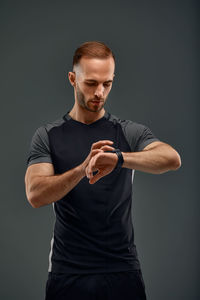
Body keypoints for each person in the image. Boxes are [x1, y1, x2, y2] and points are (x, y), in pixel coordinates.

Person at [25, 41, 181, 300]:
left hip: (122, 270)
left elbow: (171, 158)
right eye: (91, 83)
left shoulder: (126, 132)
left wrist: (119, 159)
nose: (100, 92)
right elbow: (35, 194)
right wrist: (81, 168)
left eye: (107, 83)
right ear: (73, 79)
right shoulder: (48, 135)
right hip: (67, 273)